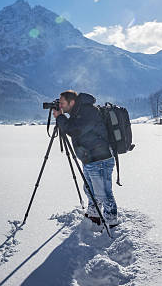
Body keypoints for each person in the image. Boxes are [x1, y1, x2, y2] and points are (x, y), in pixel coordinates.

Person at [52, 90, 119, 227]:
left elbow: (73, 130)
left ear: (72, 102)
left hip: (100, 159)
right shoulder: (76, 113)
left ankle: (111, 222)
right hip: (90, 159)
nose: (61, 106)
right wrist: (62, 118)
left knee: (104, 193)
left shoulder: (88, 112)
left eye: (62, 103)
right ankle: (94, 215)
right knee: (90, 189)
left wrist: (60, 117)